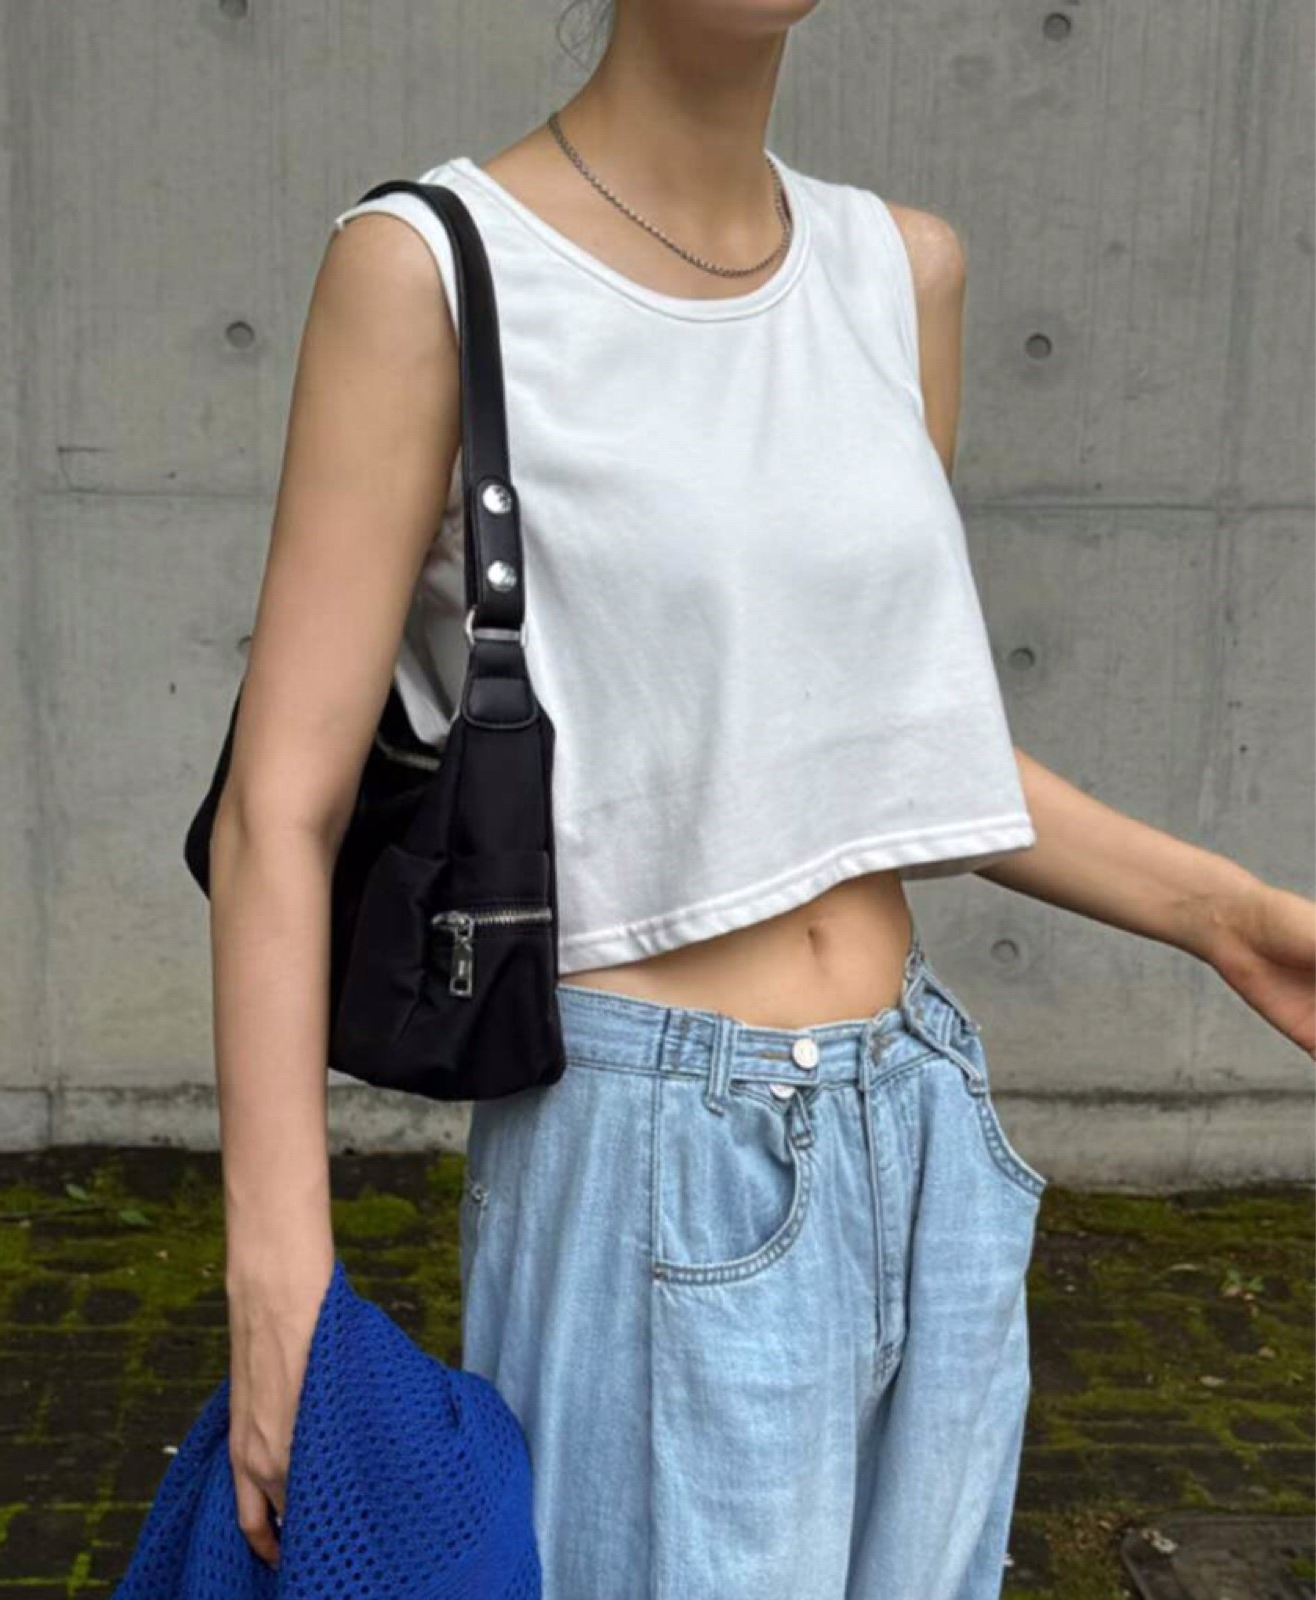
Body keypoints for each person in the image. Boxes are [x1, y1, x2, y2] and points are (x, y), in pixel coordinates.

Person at [205, 2, 1316, 1595]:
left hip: (920, 1116)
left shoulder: (897, 270)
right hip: (648, 1143)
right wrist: (279, 1288)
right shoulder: (436, 268)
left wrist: (1229, 919)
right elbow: (278, 815)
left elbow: (877, 751)